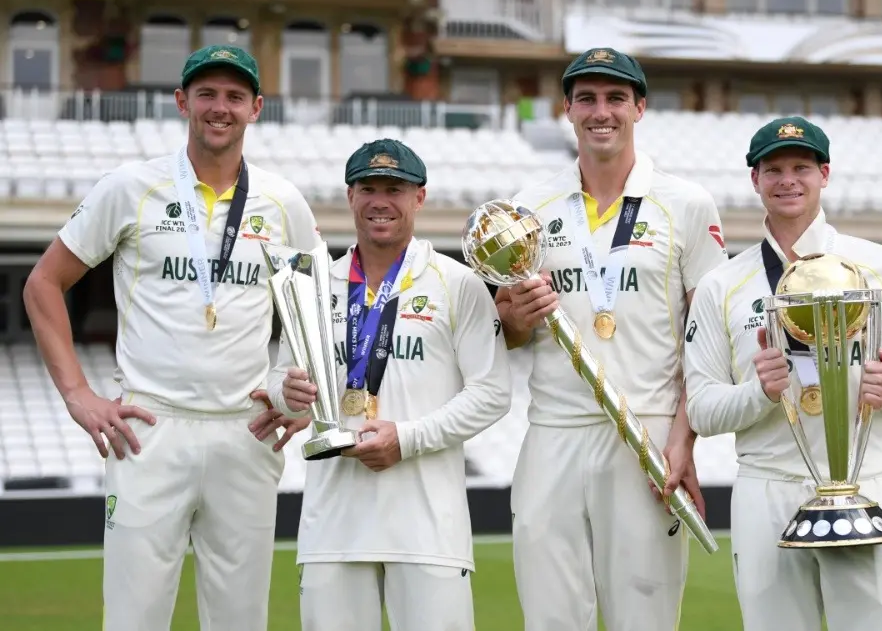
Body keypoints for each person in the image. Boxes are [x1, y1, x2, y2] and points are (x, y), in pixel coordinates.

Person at [23, 45, 320, 630]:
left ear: (256, 108)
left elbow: (312, 304)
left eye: (235, 96)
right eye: (206, 94)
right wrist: (79, 395)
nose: (220, 108)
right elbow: (42, 284)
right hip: (148, 432)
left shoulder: (284, 202)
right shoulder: (131, 186)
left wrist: (304, 396)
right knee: (134, 619)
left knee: (240, 621)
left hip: (247, 431)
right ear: (182, 101)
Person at [684, 116, 882, 631]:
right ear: (755, 180)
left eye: (802, 167)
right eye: (774, 169)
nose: (788, 179)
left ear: (824, 174)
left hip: (868, 481)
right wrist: (758, 393)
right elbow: (701, 408)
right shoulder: (722, 284)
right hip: (768, 487)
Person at [494, 47, 729, 631]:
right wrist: (516, 317)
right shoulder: (528, 206)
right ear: (567, 111)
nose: (602, 112)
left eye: (616, 98)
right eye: (588, 100)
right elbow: (509, 335)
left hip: (645, 435)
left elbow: (709, 340)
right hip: (554, 431)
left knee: (643, 618)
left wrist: (684, 440)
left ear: (639, 108)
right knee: (550, 619)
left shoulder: (687, 204)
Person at [263, 139, 511, 631]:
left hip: (428, 529)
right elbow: (281, 378)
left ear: (419, 197)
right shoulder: (311, 284)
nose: (380, 200)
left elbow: (492, 394)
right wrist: (283, 394)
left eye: (394, 189)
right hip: (333, 526)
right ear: (350, 197)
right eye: (368, 188)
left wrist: (407, 438)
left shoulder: (456, 283)